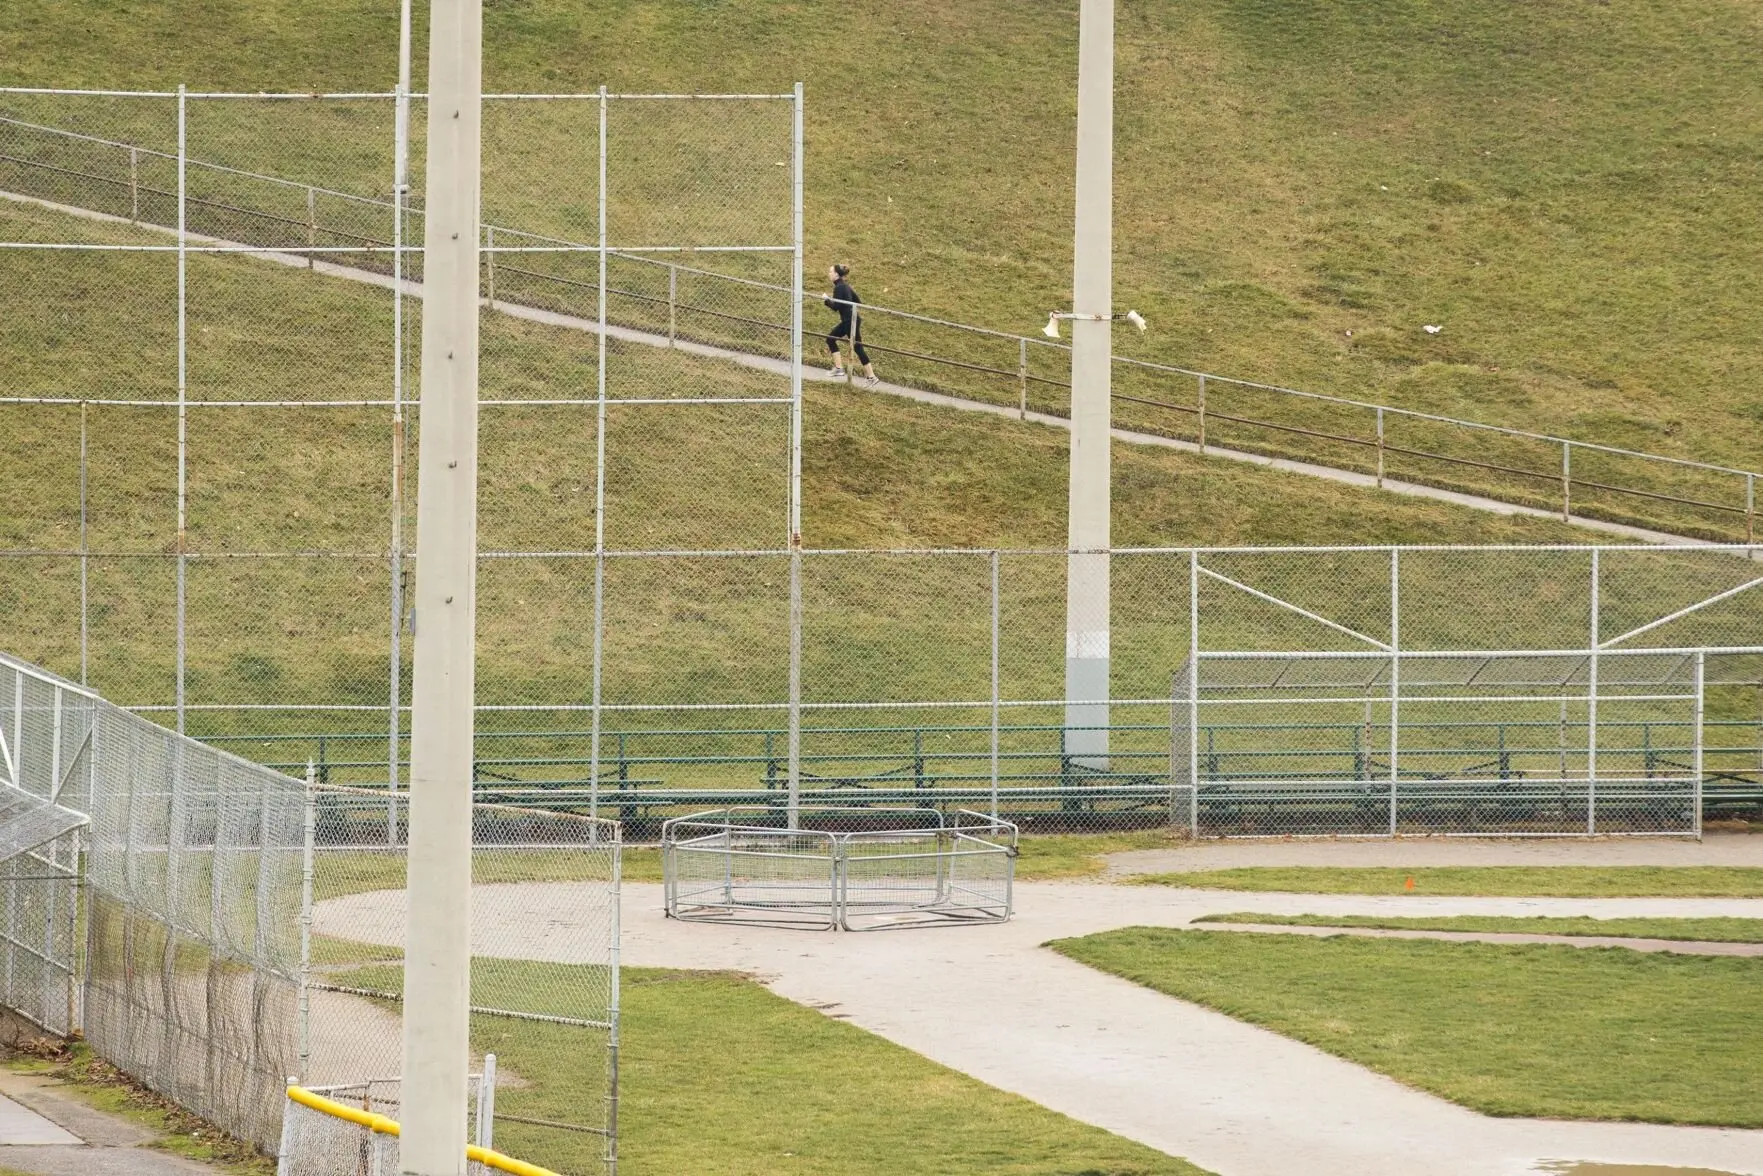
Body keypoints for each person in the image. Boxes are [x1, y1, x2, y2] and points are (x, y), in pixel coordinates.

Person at [823, 263, 878, 386]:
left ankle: (839, 369)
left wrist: (826, 300)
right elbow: (857, 301)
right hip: (852, 319)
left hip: (849, 321)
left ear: (837, 274)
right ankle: (871, 377)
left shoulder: (838, 288)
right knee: (856, 347)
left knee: (831, 339)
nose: (829, 274)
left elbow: (836, 307)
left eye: (831, 272)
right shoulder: (845, 286)